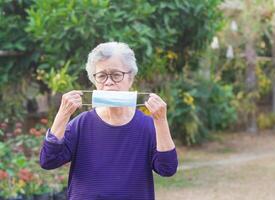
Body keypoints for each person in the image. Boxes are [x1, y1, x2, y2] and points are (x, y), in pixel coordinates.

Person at [39, 42, 178, 200]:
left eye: (116, 75)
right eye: (102, 76)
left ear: (130, 78)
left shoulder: (148, 125)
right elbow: (48, 161)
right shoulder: (81, 124)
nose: (109, 82)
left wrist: (161, 122)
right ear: (94, 81)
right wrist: (62, 115)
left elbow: (167, 169)